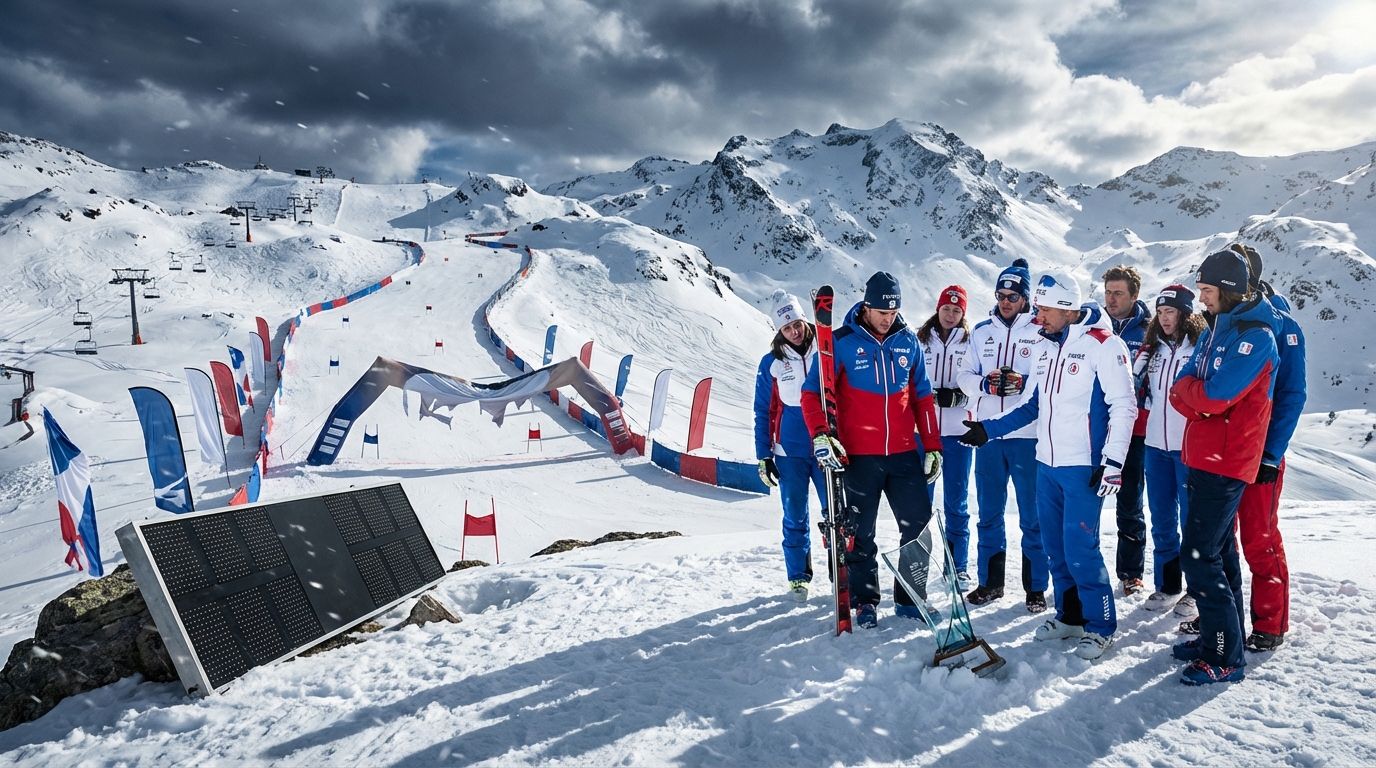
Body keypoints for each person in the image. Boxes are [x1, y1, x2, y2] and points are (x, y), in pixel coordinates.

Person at [958, 271, 1137, 660]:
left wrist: (1113, 461)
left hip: (1084, 466)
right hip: (1047, 463)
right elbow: (1036, 406)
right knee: (1055, 546)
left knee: (1080, 547)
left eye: (1043, 309)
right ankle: (1069, 616)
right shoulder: (1045, 345)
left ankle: (1101, 626)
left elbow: (1124, 406)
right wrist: (988, 430)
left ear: (1068, 309)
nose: (1037, 316)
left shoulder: (1103, 345)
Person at [801, 272, 944, 629]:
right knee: (859, 532)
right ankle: (866, 601)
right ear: (866, 307)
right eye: (881, 311)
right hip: (859, 456)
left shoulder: (908, 342)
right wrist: (821, 435)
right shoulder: (840, 343)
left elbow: (923, 398)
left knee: (918, 525)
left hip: (902, 453)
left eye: (893, 312)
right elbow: (811, 394)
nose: (887, 318)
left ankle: (911, 598)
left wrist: (933, 446)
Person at [1168, 249, 1281, 685]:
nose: (1202, 298)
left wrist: (1196, 399)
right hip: (1202, 455)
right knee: (1218, 553)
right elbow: (1186, 387)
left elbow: (1214, 396)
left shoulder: (1255, 337)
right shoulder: (1216, 329)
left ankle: (1225, 656)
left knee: (1198, 558)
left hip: (1227, 461)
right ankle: (1218, 639)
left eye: (1208, 290)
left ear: (1231, 291)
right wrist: (1197, 400)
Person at [956, 258, 1050, 612]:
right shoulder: (982, 331)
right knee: (989, 513)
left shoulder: (1040, 330)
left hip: (1026, 436)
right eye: (1000, 294)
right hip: (988, 438)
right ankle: (991, 583)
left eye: (1013, 295)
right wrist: (984, 384)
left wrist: (1020, 384)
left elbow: (1043, 383)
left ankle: (1036, 587)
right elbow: (965, 375)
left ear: (1025, 298)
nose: (1005, 301)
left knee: (1032, 515)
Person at [1228, 243, 1306, 652]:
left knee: (1259, 537)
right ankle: (1221, 618)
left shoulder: (1284, 327)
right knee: (1220, 539)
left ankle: (1269, 623)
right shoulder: (1223, 319)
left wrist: (1271, 454)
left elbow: (1292, 394)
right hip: (1225, 450)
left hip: (1260, 454)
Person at [1134, 285, 1205, 615]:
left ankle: (1196, 589)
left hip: (1187, 447)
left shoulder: (1201, 346)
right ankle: (1167, 585)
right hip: (1155, 446)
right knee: (1161, 519)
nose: (1164, 318)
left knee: (1191, 520)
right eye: (1160, 312)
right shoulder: (1153, 349)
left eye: (1171, 312)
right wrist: (1138, 368)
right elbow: (1136, 390)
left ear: (1185, 313)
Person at [753, 291, 826, 602]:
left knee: (837, 514)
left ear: (804, 320)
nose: (794, 331)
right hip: (789, 452)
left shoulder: (826, 352)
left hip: (826, 448)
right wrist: (764, 456)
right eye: (787, 328)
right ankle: (799, 577)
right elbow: (763, 411)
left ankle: (842, 571)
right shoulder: (771, 363)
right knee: (795, 516)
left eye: (797, 324)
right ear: (779, 331)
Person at [917, 285, 974, 584]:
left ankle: (956, 565)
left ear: (962, 313)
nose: (950, 314)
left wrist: (959, 398)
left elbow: (979, 387)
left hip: (958, 435)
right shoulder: (919, 340)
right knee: (918, 505)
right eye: (946, 309)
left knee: (956, 503)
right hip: (923, 435)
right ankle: (917, 565)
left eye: (956, 310)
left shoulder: (971, 342)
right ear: (937, 309)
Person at [1102, 265, 1152, 597]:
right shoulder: (1094, 324)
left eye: (1119, 293)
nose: (1112, 299)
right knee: (1086, 498)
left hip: (1135, 430)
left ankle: (1130, 573)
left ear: (1134, 296)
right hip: (1096, 427)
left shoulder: (1150, 330)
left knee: (1130, 502)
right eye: (1107, 292)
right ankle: (1082, 568)